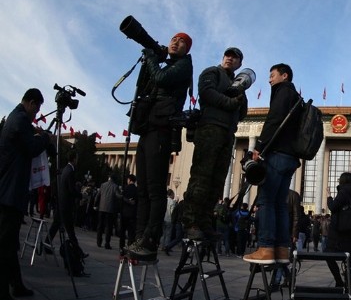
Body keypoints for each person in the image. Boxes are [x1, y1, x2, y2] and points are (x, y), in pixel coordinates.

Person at [125, 33, 193, 260]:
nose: (175, 43)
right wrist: (148, 59)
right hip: (147, 129)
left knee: (155, 190)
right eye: (174, 39)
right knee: (143, 189)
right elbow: (147, 84)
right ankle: (138, 237)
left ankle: (150, 240)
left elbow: (162, 78)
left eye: (182, 42)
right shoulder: (166, 63)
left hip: (162, 132)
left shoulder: (184, 66)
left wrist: (153, 59)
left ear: (187, 50)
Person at [181, 47, 248, 243]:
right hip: (210, 128)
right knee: (201, 177)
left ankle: (204, 221)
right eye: (228, 55)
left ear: (239, 64)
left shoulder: (237, 83)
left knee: (216, 181)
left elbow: (241, 112)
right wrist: (230, 102)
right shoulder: (212, 72)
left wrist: (240, 95)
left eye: (234, 58)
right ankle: (190, 221)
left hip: (227, 134)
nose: (230, 59)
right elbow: (207, 94)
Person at [244, 64, 302, 264]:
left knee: (266, 201)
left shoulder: (283, 92)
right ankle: (281, 249)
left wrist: (259, 145)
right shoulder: (295, 96)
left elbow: (274, 120)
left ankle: (266, 247)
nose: (269, 80)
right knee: (279, 204)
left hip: (277, 154)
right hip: (290, 157)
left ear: (284, 76)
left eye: (272, 75)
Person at [0, 88, 52, 300]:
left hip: (9, 190)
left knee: (10, 243)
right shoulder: (20, 119)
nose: (36, 114)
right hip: (10, 191)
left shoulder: (16, 117)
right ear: (31, 103)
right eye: (37, 108)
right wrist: (46, 138)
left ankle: (17, 284)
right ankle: (3, 291)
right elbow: (31, 149)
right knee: (6, 244)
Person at [47, 149, 89, 274]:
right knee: (70, 231)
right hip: (66, 206)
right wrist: (81, 195)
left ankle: (45, 244)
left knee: (55, 226)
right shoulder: (70, 171)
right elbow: (71, 189)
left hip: (62, 204)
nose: (78, 160)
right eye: (77, 157)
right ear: (74, 158)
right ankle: (77, 252)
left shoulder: (65, 170)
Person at [325, 172, 351, 285]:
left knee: (329, 255)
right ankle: (348, 285)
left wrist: (329, 197)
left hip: (338, 232)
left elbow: (333, 207)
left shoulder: (343, 192)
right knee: (349, 259)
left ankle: (339, 281)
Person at [94, 174, 120, 250]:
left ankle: (99, 242)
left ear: (109, 178)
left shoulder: (103, 185)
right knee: (108, 227)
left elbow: (98, 196)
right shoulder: (115, 186)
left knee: (100, 226)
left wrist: (95, 205)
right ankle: (107, 243)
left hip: (101, 208)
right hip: (110, 209)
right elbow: (118, 196)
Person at [119, 174, 137, 249]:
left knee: (122, 231)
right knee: (131, 232)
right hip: (133, 213)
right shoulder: (137, 189)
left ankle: (121, 247)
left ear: (129, 180)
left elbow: (121, 198)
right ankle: (129, 245)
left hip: (124, 212)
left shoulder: (125, 188)